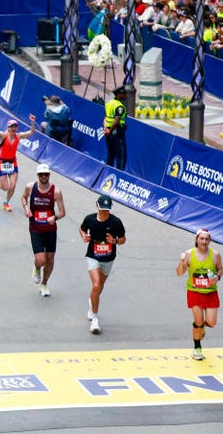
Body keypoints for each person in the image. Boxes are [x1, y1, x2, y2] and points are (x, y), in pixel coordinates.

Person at [80, 194, 127, 334]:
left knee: (99, 287)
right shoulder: (90, 219)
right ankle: (94, 318)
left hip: (108, 258)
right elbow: (82, 229)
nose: (105, 212)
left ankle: (92, 302)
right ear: (97, 206)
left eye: (107, 209)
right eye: (102, 209)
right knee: (96, 285)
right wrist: (84, 236)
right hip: (93, 256)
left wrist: (115, 241)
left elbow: (123, 238)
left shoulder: (116, 222)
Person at [176, 229, 223, 361]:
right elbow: (180, 273)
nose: (204, 241)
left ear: (209, 241)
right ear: (196, 239)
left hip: (210, 293)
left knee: (212, 322)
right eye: (201, 239)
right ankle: (197, 347)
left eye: (206, 239)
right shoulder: (189, 254)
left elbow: (220, 269)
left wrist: (217, 277)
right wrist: (182, 261)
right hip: (194, 291)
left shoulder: (215, 255)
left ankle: (201, 328)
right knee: (198, 321)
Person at [20, 163, 67, 296]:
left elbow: (63, 212)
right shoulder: (30, 187)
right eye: (41, 174)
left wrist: (55, 217)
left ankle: (44, 283)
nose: (44, 176)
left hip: (50, 228)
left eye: (46, 174)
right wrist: (26, 208)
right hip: (35, 227)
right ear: (37, 175)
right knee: (41, 260)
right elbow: (23, 197)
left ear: (49, 175)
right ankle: (36, 268)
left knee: (50, 258)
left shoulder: (56, 191)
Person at [0, 113, 36, 212]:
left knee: (13, 185)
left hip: (13, 163)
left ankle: (6, 202)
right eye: (12, 127)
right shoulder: (3, 136)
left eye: (15, 127)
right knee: (5, 188)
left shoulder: (19, 136)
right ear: (8, 128)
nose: (14, 128)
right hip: (2, 163)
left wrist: (33, 122)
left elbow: (31, 132)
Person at [103, 85, 128, 170]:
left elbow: (105, 118)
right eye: (124, 93)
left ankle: (108, 170)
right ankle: (119, 174)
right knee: (121, 155)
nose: (126, 95)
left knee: (111, 153)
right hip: (116, 132)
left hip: (109, 131)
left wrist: (106, 128)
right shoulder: (119, 106)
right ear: (119, 94)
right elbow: (117, 120)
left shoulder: (109, 103)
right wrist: (110, 130)